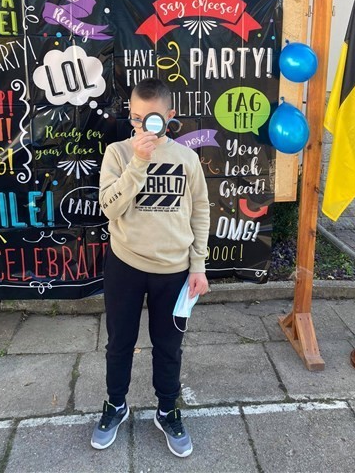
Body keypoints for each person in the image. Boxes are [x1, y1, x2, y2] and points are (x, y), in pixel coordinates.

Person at [91, 77, 210, 458]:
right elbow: (110, 208)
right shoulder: (117, 154)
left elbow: (200, 211)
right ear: (130, 115)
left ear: (169, 116)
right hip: (125, 264)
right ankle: (116, 404)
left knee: (169, 346)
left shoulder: (187, 159)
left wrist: (198, 266)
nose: (143, 127)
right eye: (136, 118)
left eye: (152, 119)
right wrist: (138, 163)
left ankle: (167, 409)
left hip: (174, 270)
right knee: (119, 343)